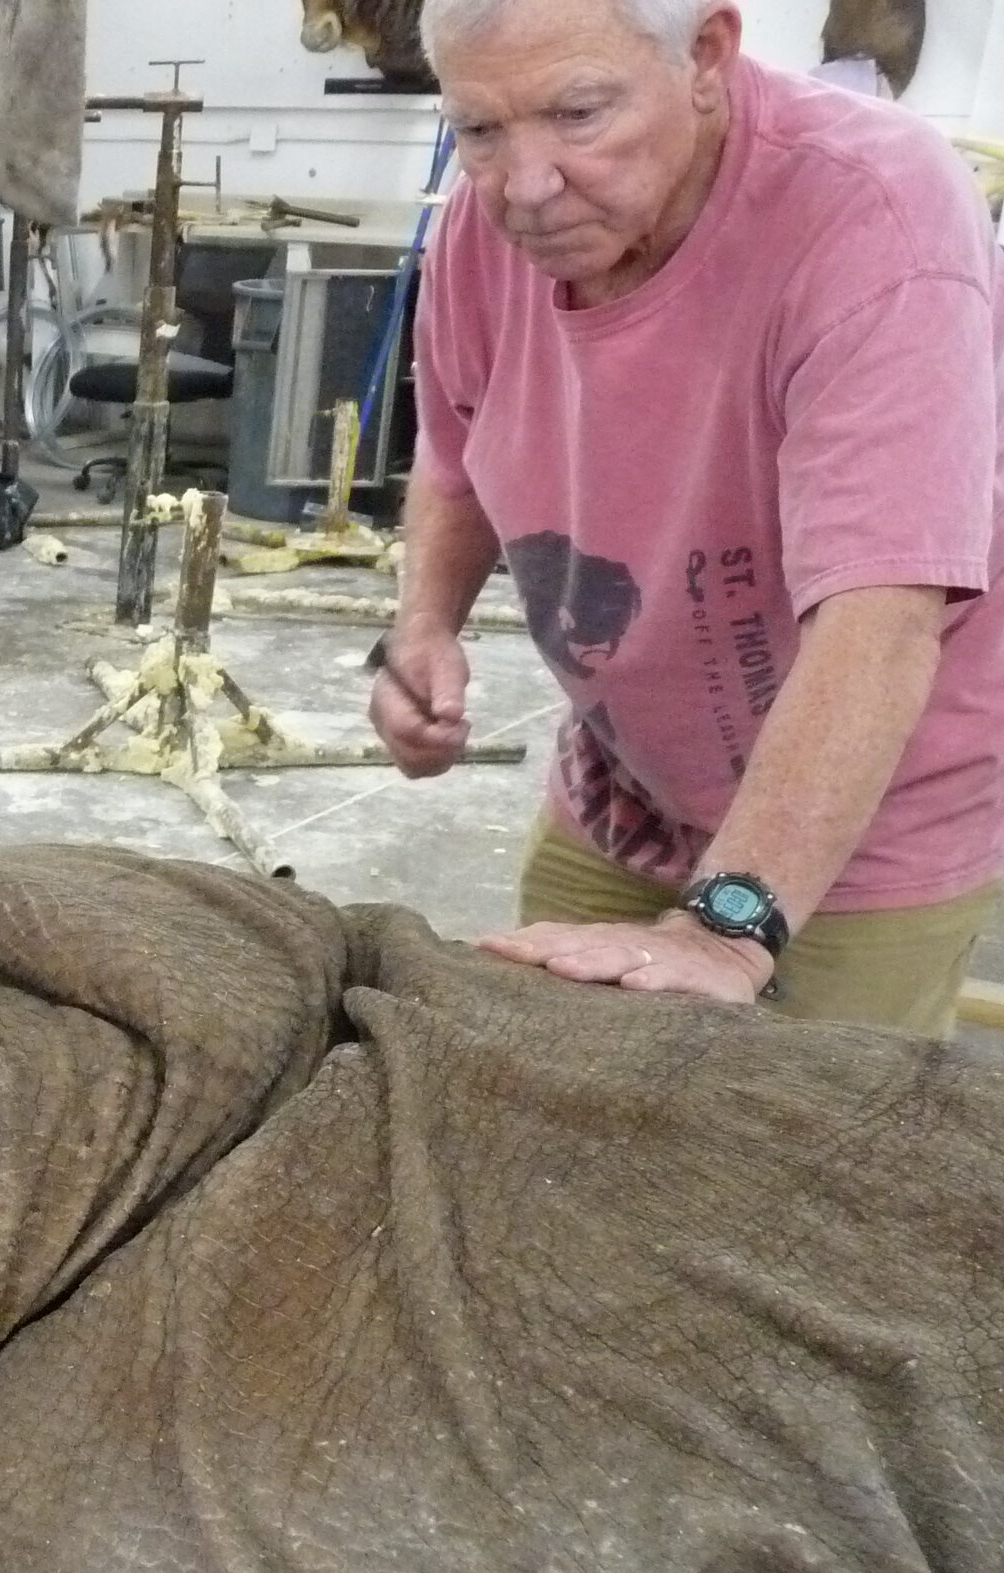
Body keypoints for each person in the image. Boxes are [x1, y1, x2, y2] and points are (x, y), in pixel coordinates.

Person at [373, 0, 1004, 1036]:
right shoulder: (480, 230)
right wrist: (423, 627)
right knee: (551, 1119)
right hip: (622, 791)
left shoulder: (873, 211)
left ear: (706, 56)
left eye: (577, 114)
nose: (525, 186)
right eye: (481, 131)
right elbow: (457, 452)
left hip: (850, 834)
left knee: (790, 1171)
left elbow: (880, 616)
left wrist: (726, 930)